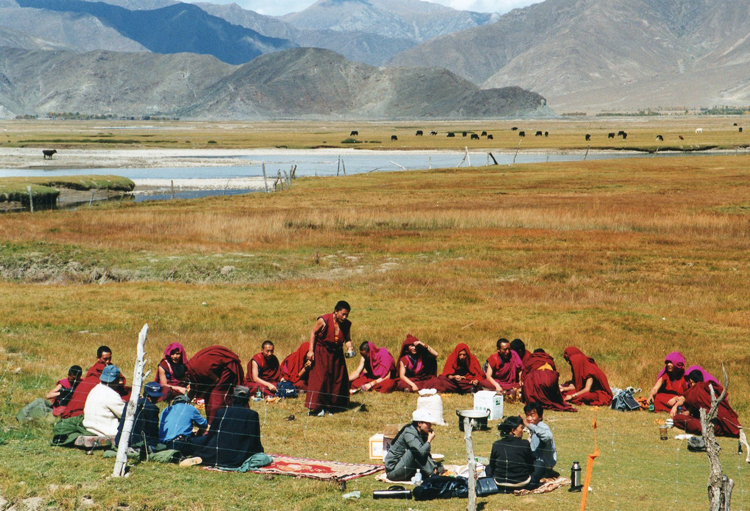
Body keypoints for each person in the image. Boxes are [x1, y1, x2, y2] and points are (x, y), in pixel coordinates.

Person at [187, 385, 264, 469]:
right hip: (239, 457)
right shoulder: (252, 415)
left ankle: (201, 457)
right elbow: (255, 440)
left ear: (232, 398)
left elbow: (210, 435)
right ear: (247, 400)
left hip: (215, 454)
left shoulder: (221, 412)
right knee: (264, 458)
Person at [305, 301, 354, 415]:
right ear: (336, 312)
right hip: (321, 352)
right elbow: (313, 333)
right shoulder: (324, 320)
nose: (345, 317)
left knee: (336, 379)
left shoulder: (346, 324)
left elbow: (347, 339)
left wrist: (350, 348)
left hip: (336, 354)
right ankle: (317, 407)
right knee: (320, 379)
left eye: (347, 314)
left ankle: (332, 406)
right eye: (343, 314)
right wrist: (311, 351)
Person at [64, 346, 130, 419]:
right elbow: (92, 380)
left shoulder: (111, 366)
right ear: (98, 358)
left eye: (109, 358)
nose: (108, 361)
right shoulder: (95, 369)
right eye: (105, 359)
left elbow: (121, 380)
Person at [671, 369, 741, 438]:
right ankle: (721, 429)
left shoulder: (697, 389)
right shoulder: (705, 387)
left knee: (678, 418)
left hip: (708, 424)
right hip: (724, 423)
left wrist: (675, 408)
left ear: (691, 381)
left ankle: (716, 429)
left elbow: (684, 399)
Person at [185, 345, 244, 423]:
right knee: (208, 396)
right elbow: (193, 387)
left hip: (227, 366)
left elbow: (216, 380)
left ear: (187, 374)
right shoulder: (190, 368)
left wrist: (204, 392)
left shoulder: (200, 368)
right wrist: (185, 403)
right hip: (218, 369)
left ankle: (213, 423)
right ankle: (212, 420)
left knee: (216, 395)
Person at [384, 409, 439, 481]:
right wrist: (429, 441)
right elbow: (421, 452)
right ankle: (433, 475)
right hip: (393, 470)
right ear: (419, 423)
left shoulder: (421, 433)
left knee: (421, 454)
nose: (430, 425)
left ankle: (433, 472)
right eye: (427, 423)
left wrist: (434, 466)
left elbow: (426, 453)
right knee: (414, 451)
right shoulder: (409, 432)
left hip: (405, 466)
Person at [487, 415, 534, 492]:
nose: (523, 431)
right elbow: (530, 464)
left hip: (501, 483)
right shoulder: (525, 444)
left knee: (488, 467)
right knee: (540, 465)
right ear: (513, 430)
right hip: (521, 482)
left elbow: (492, 465)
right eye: (521, 428)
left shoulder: (496, 444)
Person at [115, 381, 162, 450]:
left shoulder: (129, 403)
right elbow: (153, 431)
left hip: (120, 440)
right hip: (137, 443)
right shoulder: (152, 408)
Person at [82, 365, 127, 438]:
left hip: (90, 428)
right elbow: (125, 414)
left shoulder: (95, 389)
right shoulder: (111, 394)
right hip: (105, 431)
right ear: (116, 380)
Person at [522, 402, 557, 488]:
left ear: (540, 416)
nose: (529, 418)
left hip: (543, 466)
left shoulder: (542, 427)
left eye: (532, 415)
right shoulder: (534, 428)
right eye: (527, 415)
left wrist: (529, 426)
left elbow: (547, 436)